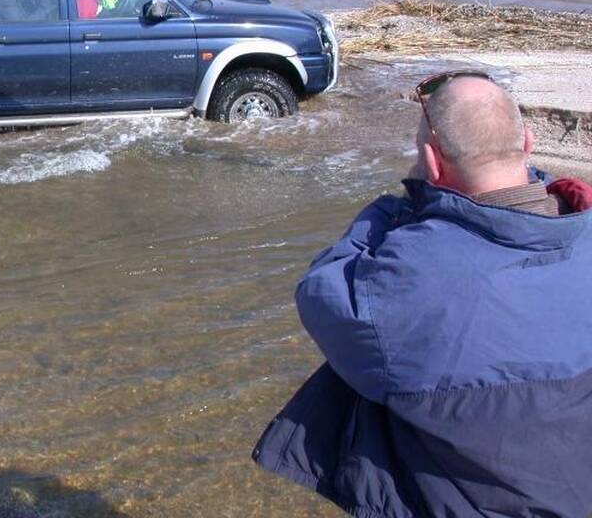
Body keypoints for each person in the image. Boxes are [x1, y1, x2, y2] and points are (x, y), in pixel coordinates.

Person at [253, 71, 592, 518]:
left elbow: (321, 293)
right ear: (527, 143)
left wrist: (390, 210)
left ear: (432, 163)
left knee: (367, 369)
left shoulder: (409, 276)